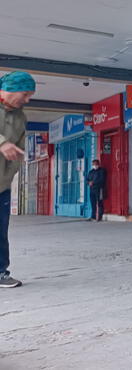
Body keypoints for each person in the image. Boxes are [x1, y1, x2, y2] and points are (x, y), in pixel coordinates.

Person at [0, 71, 35, 288]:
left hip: (2, 184)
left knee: (1, 230)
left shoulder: (21, 117)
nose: (27, 100)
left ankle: (1, 272)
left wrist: (12, 170)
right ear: (11, 89)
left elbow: (20, 147)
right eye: (25, 94)